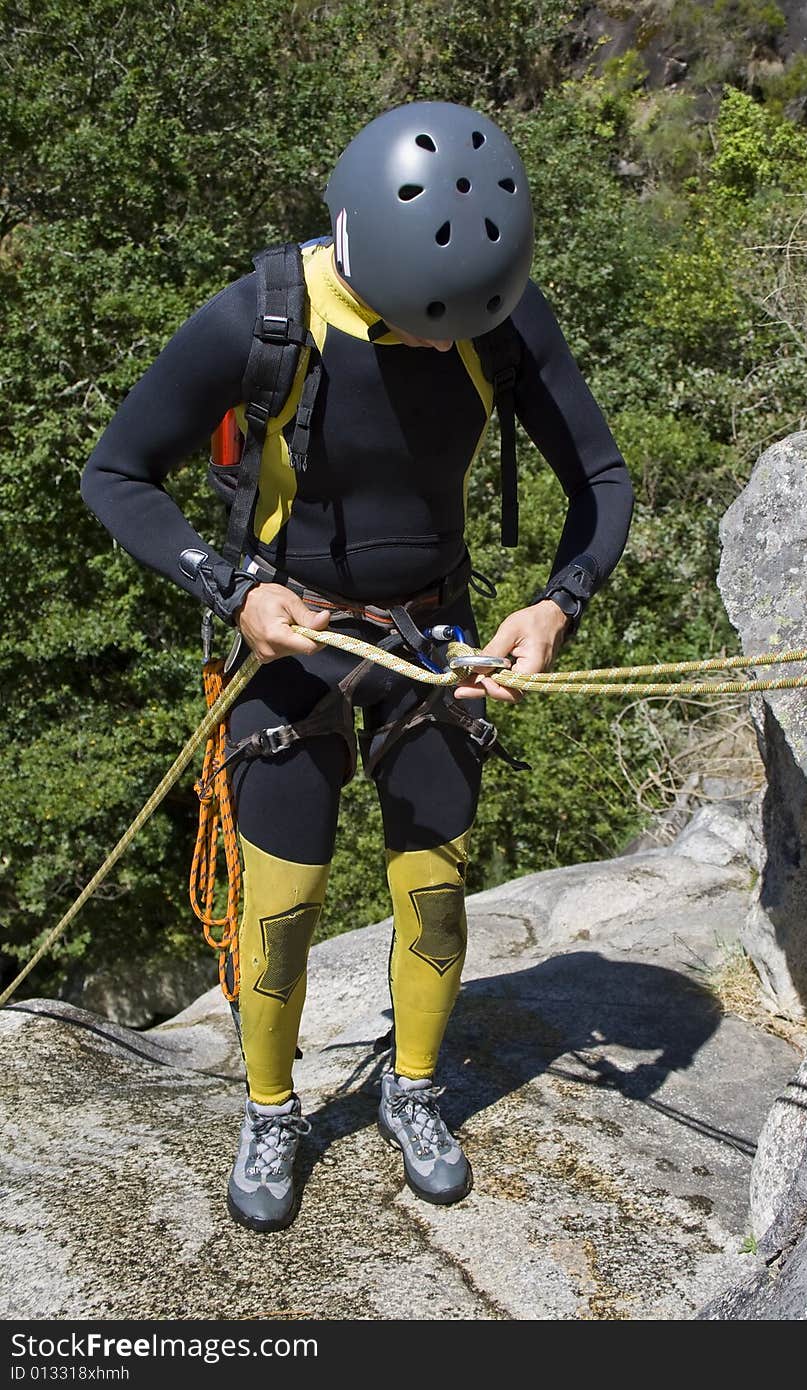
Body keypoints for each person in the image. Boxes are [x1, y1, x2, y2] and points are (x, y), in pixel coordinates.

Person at [81, 101, 633, 1232]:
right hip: (292, 642)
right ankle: (273, 1107)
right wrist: (233, 588)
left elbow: (603, 484)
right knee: (278, 911)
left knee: (433, 894)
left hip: (435, 643)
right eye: (418, 325)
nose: (439, 349)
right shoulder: (262, 319)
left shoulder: (499, 321)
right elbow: (118, 472)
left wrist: (552, 606)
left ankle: (414, 1086)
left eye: (454, 331)